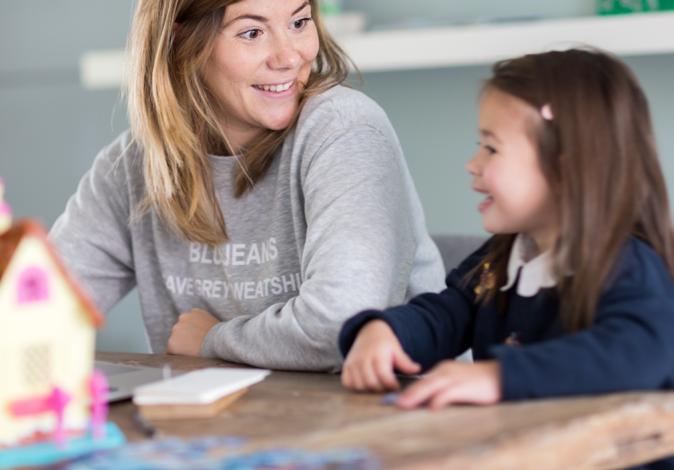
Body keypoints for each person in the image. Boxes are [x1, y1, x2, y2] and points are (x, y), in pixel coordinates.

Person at [50, 0, 445, 371]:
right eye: (252, 33)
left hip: (380, 425)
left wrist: (212, 340)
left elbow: (341, 324)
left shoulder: (345, 129)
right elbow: (35, 308)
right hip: (222, 433)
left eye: (299, 22)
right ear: (180, 39)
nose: (289, 56)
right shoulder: (135, 167)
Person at [339, 48, 674, 408]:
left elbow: (642, 353)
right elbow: (448, 313)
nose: (472, 163)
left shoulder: (627, 265)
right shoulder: (502, 258)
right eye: (478, 146)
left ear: (565, 169)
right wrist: (385, 332)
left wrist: (500, 376)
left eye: (492, 149)